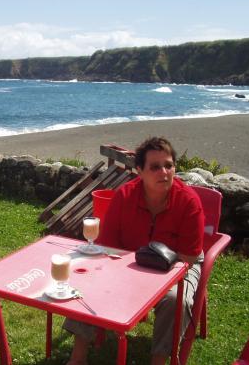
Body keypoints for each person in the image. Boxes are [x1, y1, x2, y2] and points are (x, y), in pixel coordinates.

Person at [63, 136, 204, 365]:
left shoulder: (189, 202)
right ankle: (78, 357)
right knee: (91, 280)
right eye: (155, 167)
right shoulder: (125, 196)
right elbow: (108, 247)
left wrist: (150, 279)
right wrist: (127, 272)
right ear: (140, 170)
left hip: (179, 265)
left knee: (174, 299)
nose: (164, 172)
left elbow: (187, 258)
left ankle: (158, 361)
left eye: (169, 165)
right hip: (129, 262)